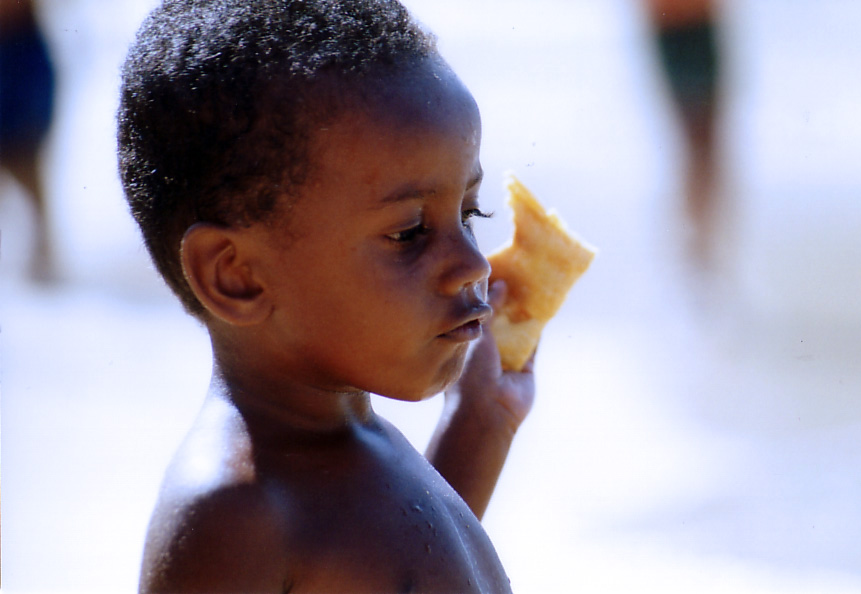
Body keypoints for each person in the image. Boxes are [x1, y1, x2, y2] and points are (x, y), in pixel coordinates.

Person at [117, 1, 536, 592]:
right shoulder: (236, 514)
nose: (472, 263)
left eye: (470, 213)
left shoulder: (353, 447)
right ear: (237, 275)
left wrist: (481, 420)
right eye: (409, 233)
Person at [645, 0, 722, 267]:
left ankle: (697, 239)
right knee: (700, 143)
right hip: (681, 23)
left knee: (699, 144)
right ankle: (697, 242)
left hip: (678, 22)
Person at [0, 0, 56, 281]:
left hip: (22, 133)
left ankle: (44, 259)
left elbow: (39, 88)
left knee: (33, 193)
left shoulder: (28, 46)